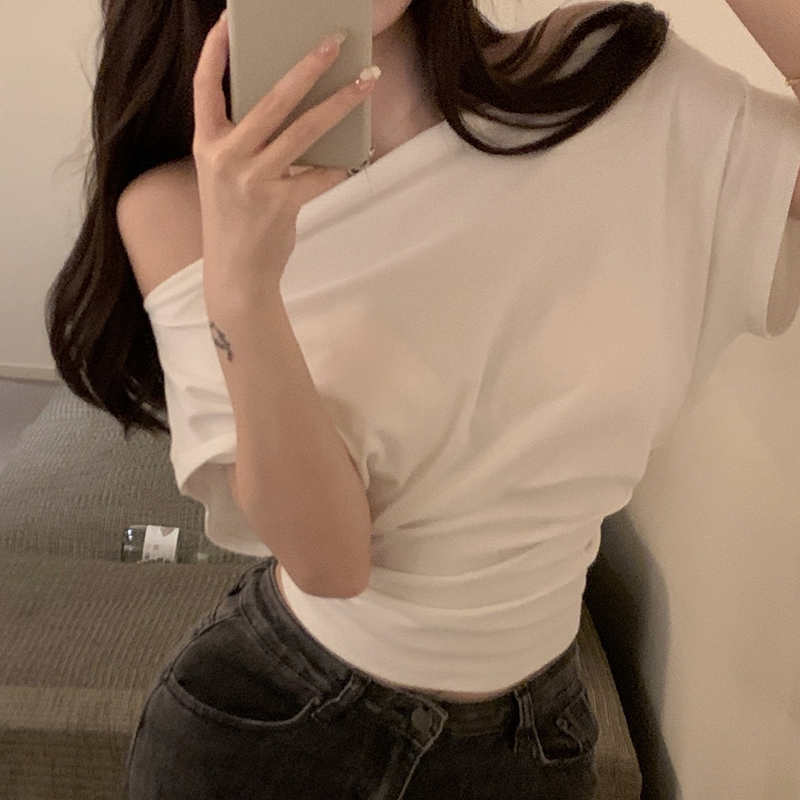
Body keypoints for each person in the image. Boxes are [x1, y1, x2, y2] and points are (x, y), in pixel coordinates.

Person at [45, 0, 800, 798]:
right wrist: (243, 286)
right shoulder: (180, 206)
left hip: (536, 746)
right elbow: (330, 562)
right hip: (276, 736)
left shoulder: (612, 89)